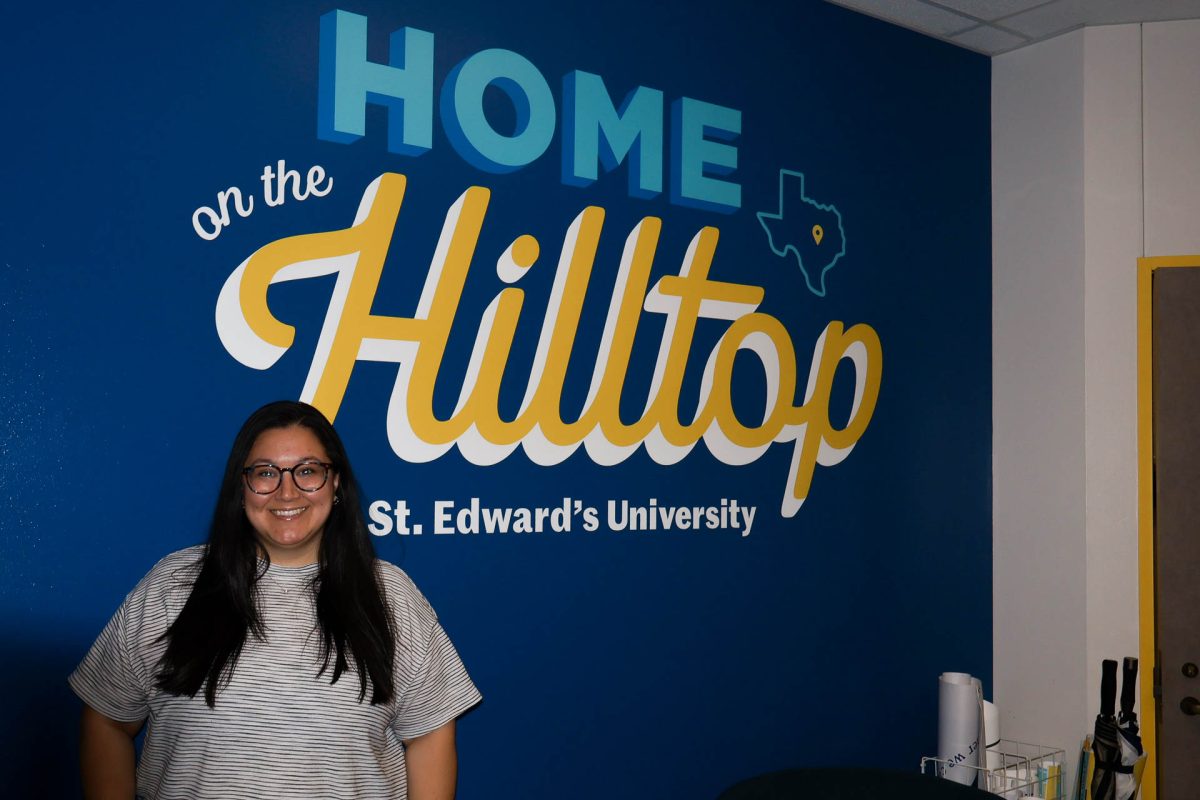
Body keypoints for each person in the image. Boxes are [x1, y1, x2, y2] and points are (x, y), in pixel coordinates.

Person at [70, 400, 480, 800]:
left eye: (307, 471)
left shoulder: (391, 596)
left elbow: (429, 736)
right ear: (242, 485)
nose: (287, 492)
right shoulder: (172, 586)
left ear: (335, 483)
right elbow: (107, 719)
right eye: (267, 473)